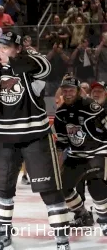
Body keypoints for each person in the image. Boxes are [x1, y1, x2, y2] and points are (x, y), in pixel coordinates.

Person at [0, 31, 70, 250]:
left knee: (49, 190)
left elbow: (44, 72)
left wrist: (10, 59)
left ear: (19, 48)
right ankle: (2, 237)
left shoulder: (34, 62)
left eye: (6, 46)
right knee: (2, 190)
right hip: (5, 137)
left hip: (35, 136)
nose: (0, 50)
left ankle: (62, 242)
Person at [53, 76, 107, 235]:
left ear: (78, 91)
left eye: (71, 90)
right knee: (63, 188)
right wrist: (57, 166)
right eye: (65, 90)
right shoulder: (61, 113)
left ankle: (104, 220)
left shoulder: (91, 106)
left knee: (96, 186)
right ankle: (83, 215)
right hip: (77, 155)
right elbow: (62, 143)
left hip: (98, 151)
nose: (68, 93)